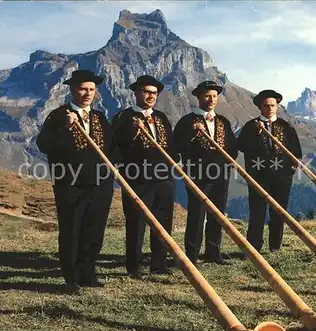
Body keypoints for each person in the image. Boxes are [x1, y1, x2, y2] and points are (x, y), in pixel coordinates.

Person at [36, 69, 116, 292]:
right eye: (82, 89)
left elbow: (112, 147)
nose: (87, 93)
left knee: (94, 228)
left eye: (91, 89)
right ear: (72, 89)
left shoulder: (100, 118)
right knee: (72, 228)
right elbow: (43, 144)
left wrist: (114, 167)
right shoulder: (58, 116)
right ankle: (71, 278)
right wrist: (66, 127)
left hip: (100, 183)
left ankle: (88, 273)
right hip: (70, 183)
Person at [112, 75, 177, 278]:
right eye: (146, 92)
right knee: (136, 222)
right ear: (136, 93)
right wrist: (133, 133)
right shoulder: (123, 117)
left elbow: (170, 145)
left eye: (154, 93)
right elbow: (114, 148)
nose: (150, 96)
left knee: (163, 221)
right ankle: (135, 266)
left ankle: (158, 263)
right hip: (137, 178)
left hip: (164, 178)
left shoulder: (161, 118)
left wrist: (174, 162)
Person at [173, 81, 238, 264]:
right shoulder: (187, 121)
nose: (211, 100)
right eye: (207, 96)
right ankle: (191, 256)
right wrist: (192, 135)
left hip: (220, 176)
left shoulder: (222, 121)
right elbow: (176, 146)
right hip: (197, 176)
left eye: (215, 96)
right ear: (199, 98)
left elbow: (232, 147)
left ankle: (213, 254)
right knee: (196, 216)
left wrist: (227, 165)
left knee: (217, 215)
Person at [237, 89, 302, 252]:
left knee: (279, 212)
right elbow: (241, 146)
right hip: (258, 176)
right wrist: (256, 134)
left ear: (278, 106)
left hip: (282, 177)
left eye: (273, 105)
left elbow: (296, 151)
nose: (270, 108)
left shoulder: (286, 126)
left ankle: (275, 247)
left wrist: (290, 171)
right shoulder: (250, 126)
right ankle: (253, 247)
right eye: (266, 105)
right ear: (260, 107)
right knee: (257, 212)